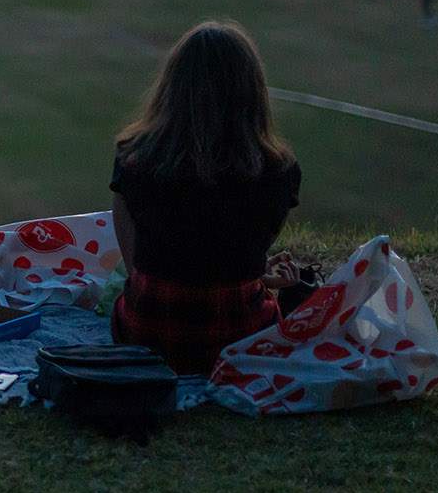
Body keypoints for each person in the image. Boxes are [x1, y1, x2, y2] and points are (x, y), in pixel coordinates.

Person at [108, 21, 302, 375]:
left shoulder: (133, 159)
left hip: (145, 332)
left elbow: (140, 257)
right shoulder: (280, 171)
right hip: (241, 338)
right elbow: (251, 247)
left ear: (172, 86)